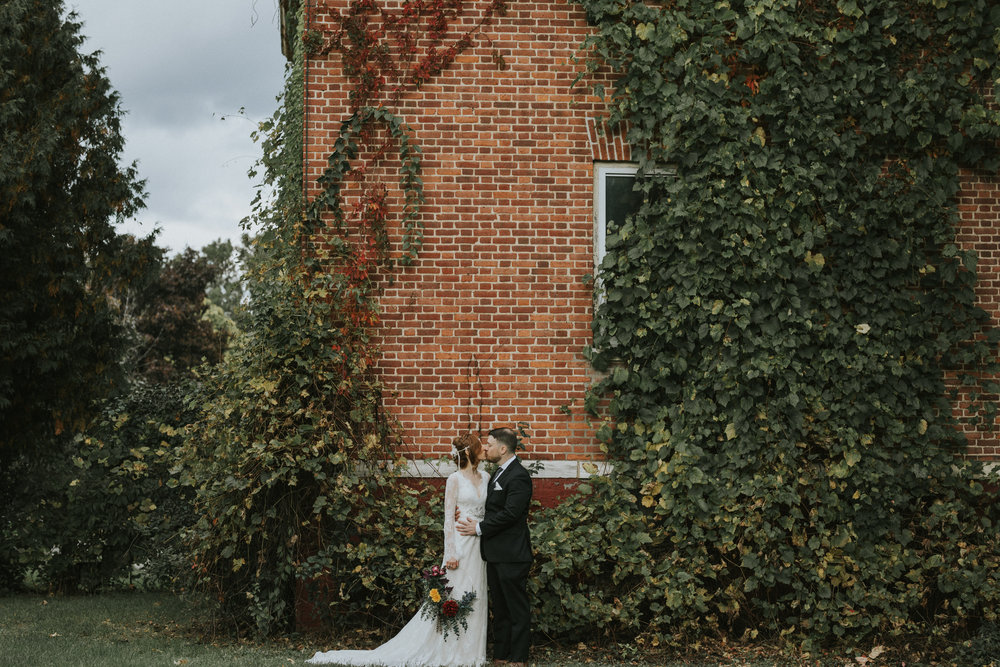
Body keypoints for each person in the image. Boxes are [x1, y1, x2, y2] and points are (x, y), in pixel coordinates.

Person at [307, 433, 489, 666]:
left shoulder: (485, 477)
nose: (484, 448)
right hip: (460, 548)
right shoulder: (454, 480)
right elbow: (447, 519)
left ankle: (472, 653)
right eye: (480, 446)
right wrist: (450, 552)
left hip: (478, 546)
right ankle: (450, 649)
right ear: (470, 452)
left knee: (475, 594)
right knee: (454, 594)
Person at [457, 427, 533, 667]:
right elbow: (486, 505)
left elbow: (511, 514)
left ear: (503, 448)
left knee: (516, 608)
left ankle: (518, 658)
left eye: (489, 444)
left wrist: (479, 527)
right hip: (494, 552)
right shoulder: (497, 474)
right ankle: (501, 655)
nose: (485, 448)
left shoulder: (518, 475)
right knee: (500, 608)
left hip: (512, 554)